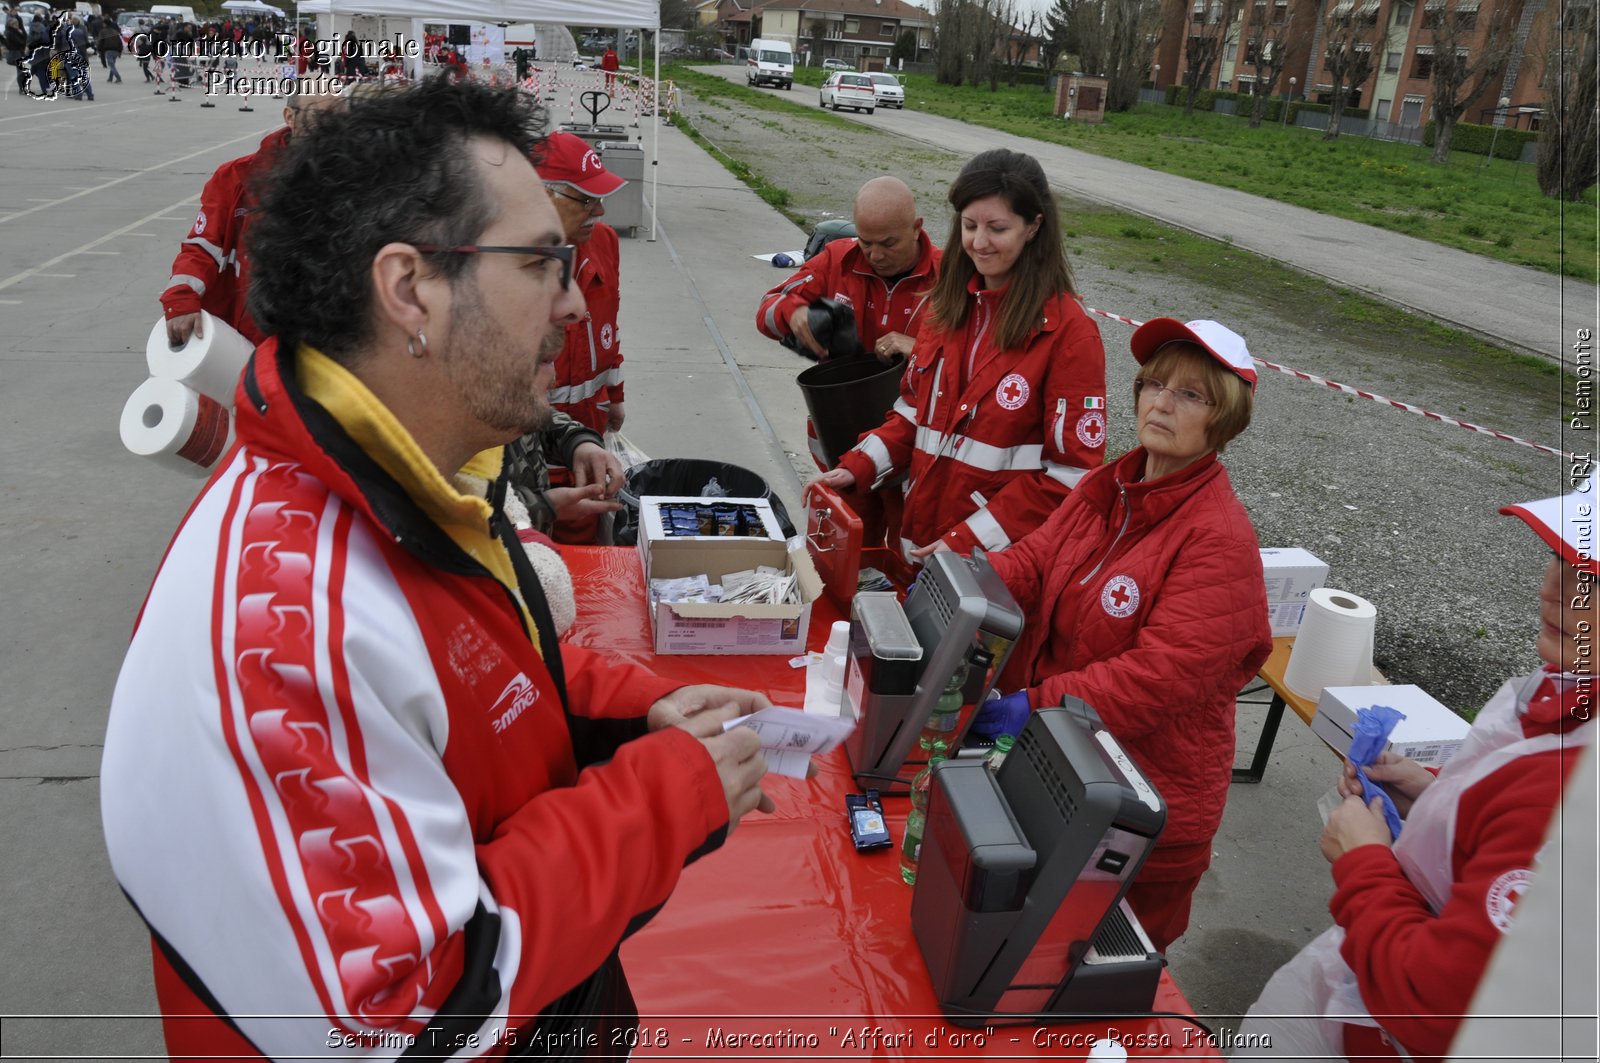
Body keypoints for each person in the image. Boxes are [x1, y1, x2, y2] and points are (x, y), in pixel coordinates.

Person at [101, 76, 776, 1060]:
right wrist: (662, 796)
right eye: (544, 260)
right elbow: (400, 1018)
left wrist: (633, 712)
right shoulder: (290, 625)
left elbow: (480, 665)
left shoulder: (400, 474)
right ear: (410, 288)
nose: (571, 294)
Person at [1234, 479, 1598, 1062]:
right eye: (1559, 557)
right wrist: (1432, 801)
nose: (1556, 590)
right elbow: (1503, 835)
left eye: (1595, 579)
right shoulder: (1574, 687)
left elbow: (1439, 1011)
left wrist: (1365, 863)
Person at [978, 317, 1272, 952]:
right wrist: (964, 589)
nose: (1161, 403)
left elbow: (1156, 678)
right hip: (1070, 766)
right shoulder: (1110, 483)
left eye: (1190, 394)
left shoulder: (1216, 538)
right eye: (1153, 384)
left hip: (1142, 805)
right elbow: (1033, 561)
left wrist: (1034, 705)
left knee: (1104, 983)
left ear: (1224, 417)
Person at [817, 149, 1107, 561]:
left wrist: (969, 541)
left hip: (992, 566)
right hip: (919, 552)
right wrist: (859, 466)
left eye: (998, 228)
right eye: (969, 226)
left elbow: (1072, 476)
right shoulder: (945, 308)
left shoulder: (1070, 335)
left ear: (1034, 226)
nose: (979, 242)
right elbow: (916, 413)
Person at [755, 175, 942, 464]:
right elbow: (766, 310)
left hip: (913, 441)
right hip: (838, 434)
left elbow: (977, 366)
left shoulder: (950, 278)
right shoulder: (837, 260)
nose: (875, 255)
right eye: (866, 242)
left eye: (888, 243)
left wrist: (920, 349)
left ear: (916, 228)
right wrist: (793, 314)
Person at [158, 86, 338, 348]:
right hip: (250, 339)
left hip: (327, 340)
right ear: (290, 117)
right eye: (317, 115)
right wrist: (182, 300)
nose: (328, 126)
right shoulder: (237, 177)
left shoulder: (358, 181)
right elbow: (203, 248)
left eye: (337, 116)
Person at [95, 15, 122, 83]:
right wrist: (120, 51)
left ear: (105, 24)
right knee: (112, 65)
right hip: (116, 50)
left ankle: (118, 77)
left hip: (108, 50)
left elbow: (100, 41)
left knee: (111, 65)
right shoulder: (115, 31)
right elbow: (120, 42)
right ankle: (110, 78)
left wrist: (99, 49)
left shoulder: (103, 32)